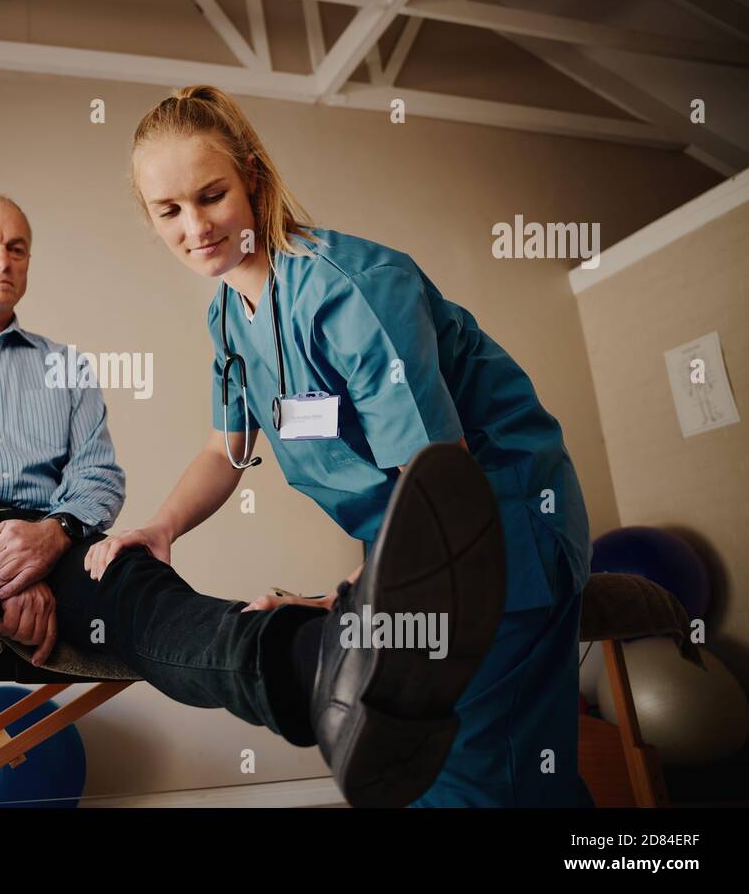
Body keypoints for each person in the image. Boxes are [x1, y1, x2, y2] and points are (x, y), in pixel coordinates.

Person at [0, 191, 505, 808]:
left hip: (58, 538)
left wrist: (53, 536)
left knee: (149, 595)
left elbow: (98, 479)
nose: (3, 259)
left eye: (18, 247)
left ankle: (326, 668)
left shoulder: (66, 366)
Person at [83, 84, 593, 807]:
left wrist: (356, 599)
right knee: (476, 779)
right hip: (425, 553)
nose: (195, 226)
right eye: (169, 210)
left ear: (253, 177)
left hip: (501, 537)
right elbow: (223, 450)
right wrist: (161, 528)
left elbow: (434, 478)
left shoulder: (350, 289)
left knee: (479, 783)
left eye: (211, 195)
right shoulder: (229, 319)